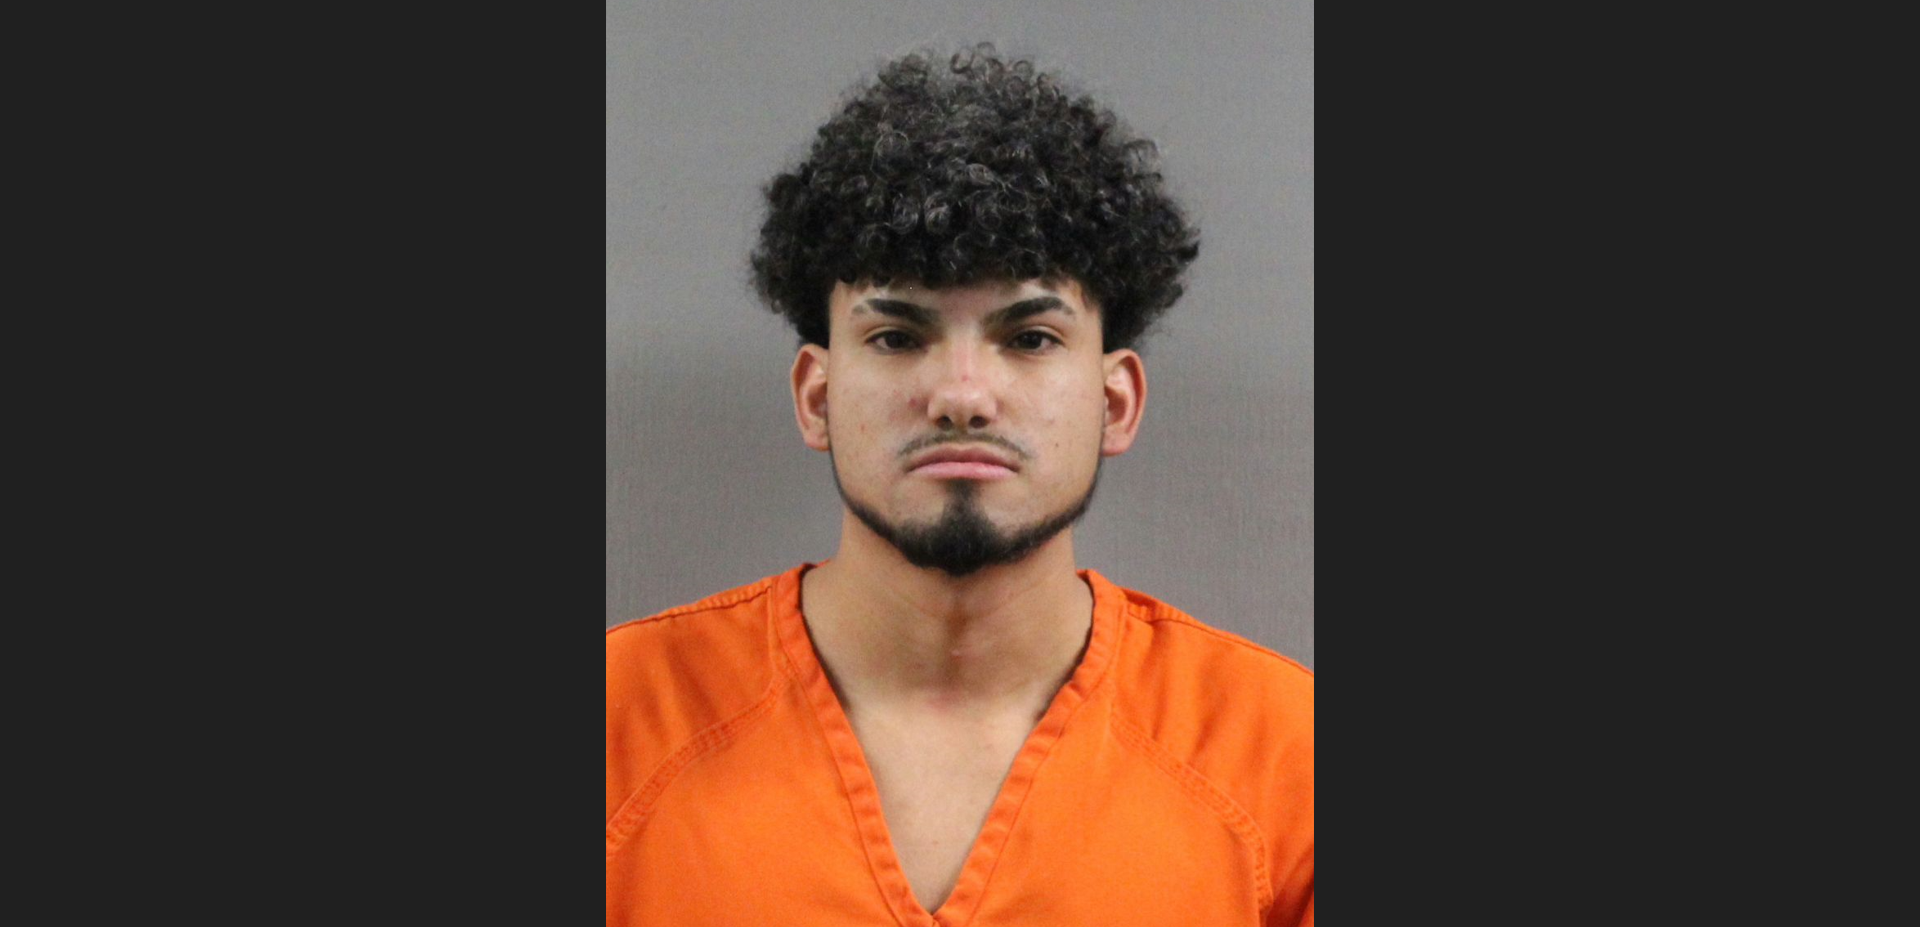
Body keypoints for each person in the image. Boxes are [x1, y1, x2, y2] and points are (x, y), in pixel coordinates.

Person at [606, 45, 1312, 926]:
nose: (962, 396)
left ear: (1116, 401)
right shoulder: (620, 726)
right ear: (817, 396)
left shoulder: (1285, 760)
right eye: (899, 337)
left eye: (1030, 338)